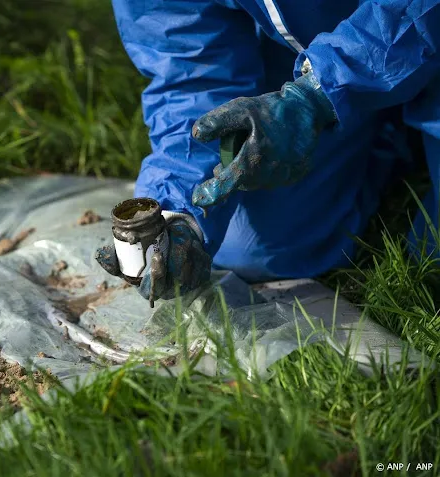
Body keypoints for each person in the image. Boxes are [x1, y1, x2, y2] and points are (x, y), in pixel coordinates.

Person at [95, 0, 440, 303]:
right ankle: (388, 138)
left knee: (431, 260)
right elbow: (189, 69)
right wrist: (177, 209)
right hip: (316, 53)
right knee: (250, 248)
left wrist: (323, 92)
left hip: (413, 24)